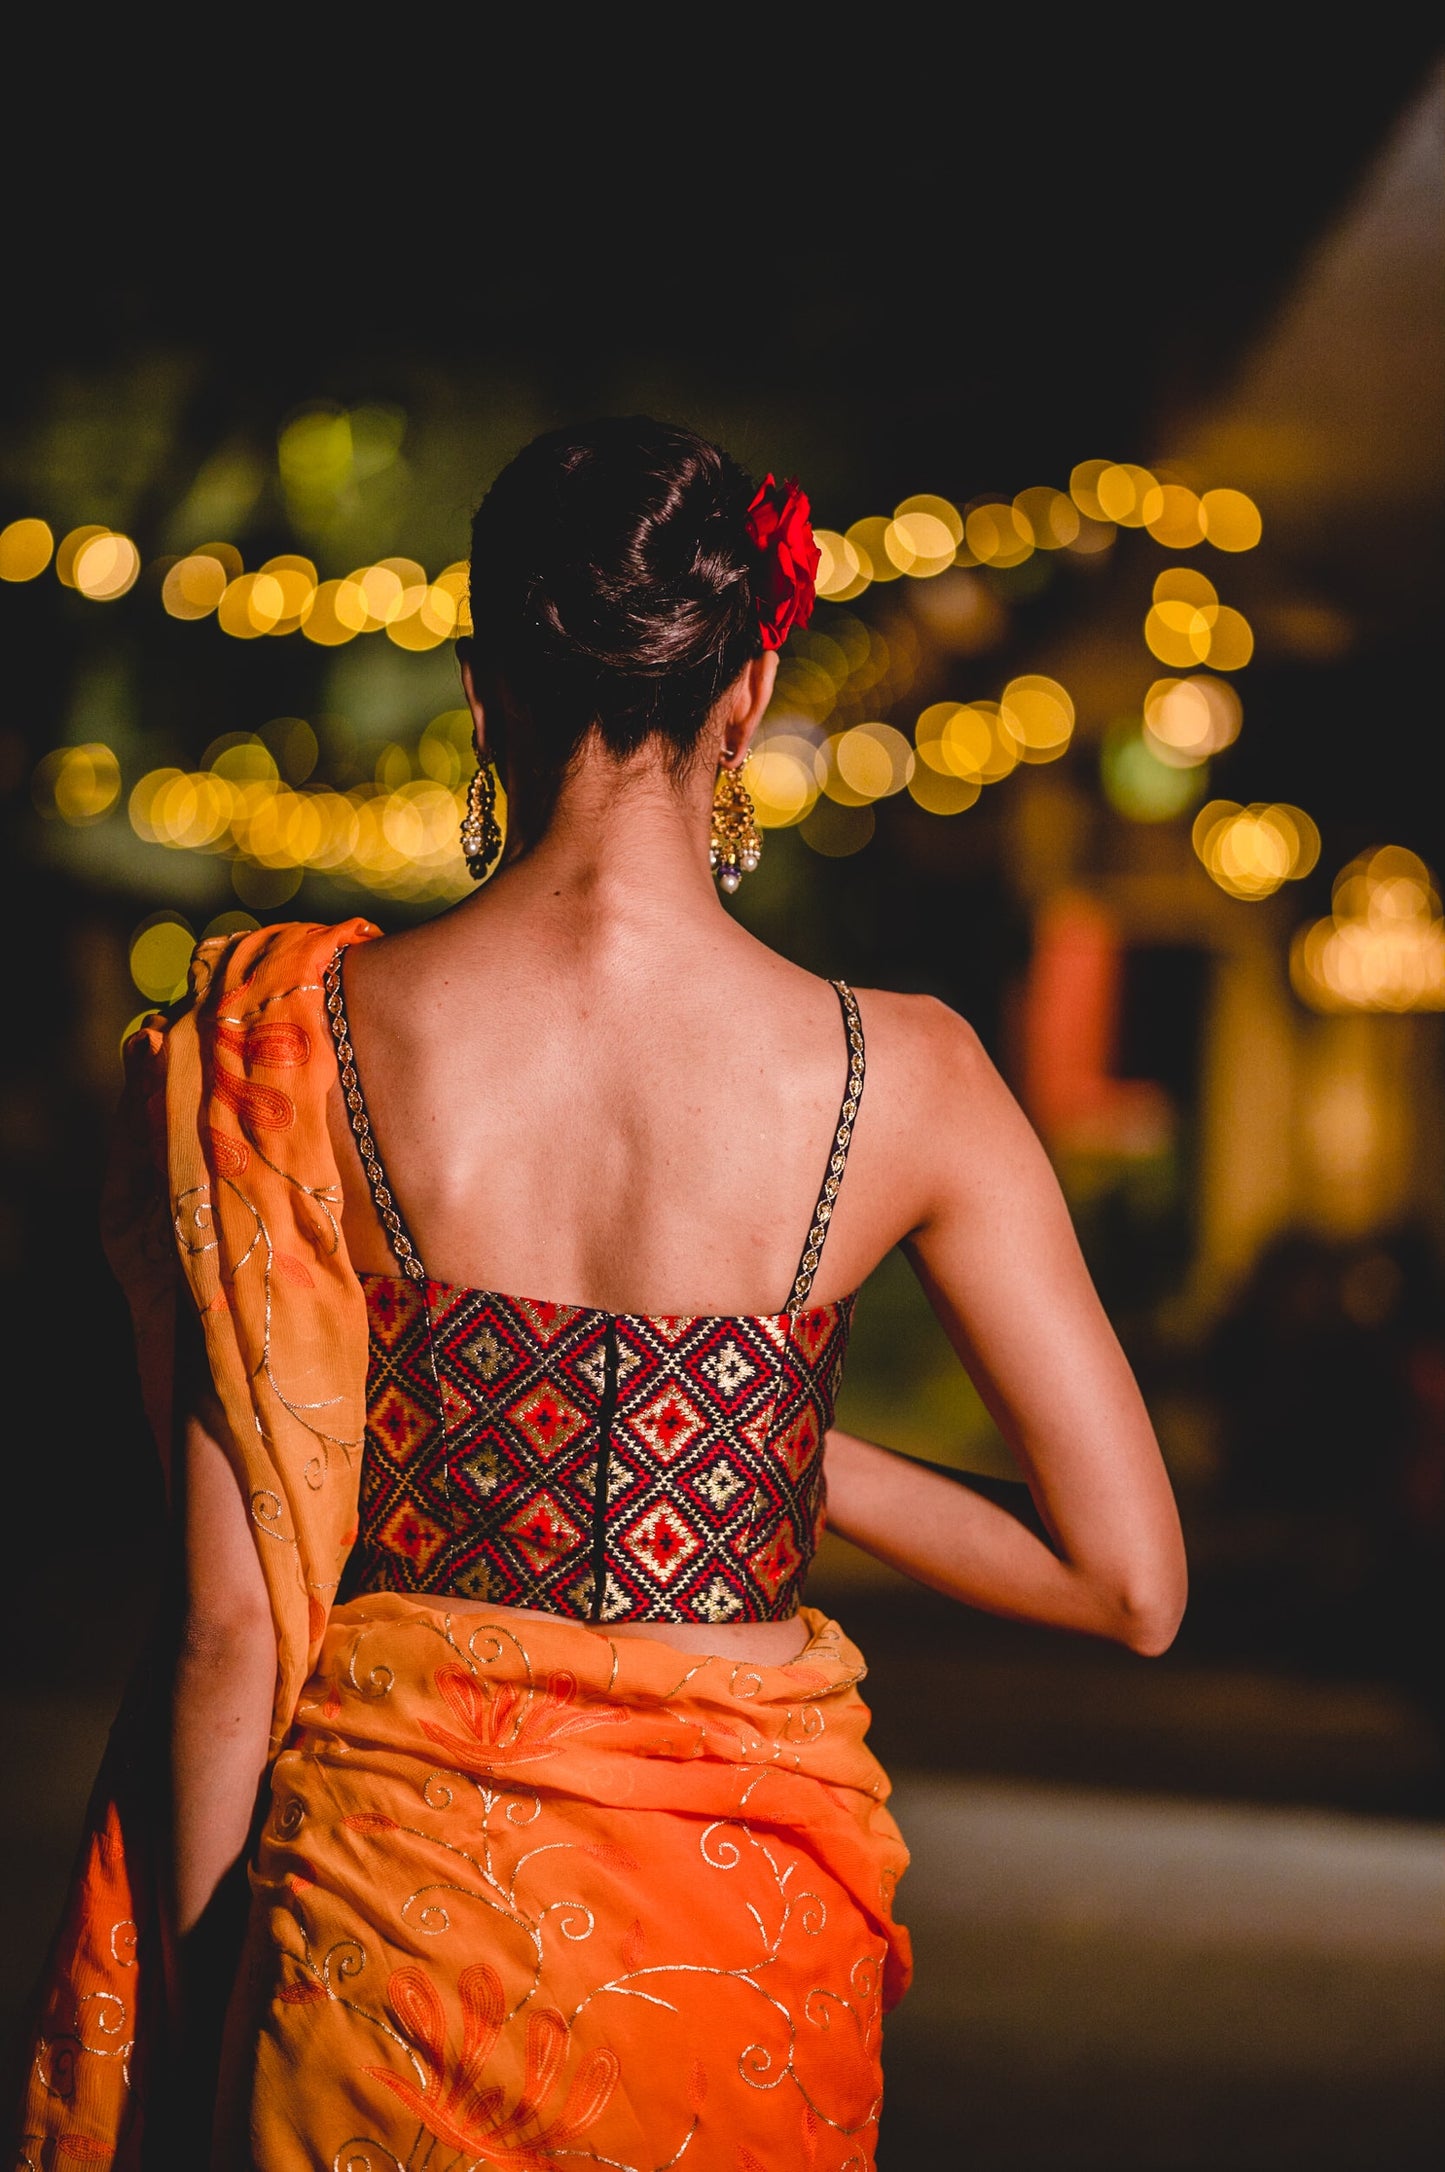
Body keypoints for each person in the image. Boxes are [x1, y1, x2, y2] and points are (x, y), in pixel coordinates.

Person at [16, 418, 1186, 2170]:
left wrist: (186, 2052)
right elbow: (1128, 1583)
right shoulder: (909, 1076)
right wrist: (750, 1431)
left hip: (386, 1933)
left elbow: (228, 1630)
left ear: (480, 684)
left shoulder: (285, 1050)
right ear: (752, 685)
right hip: (730, 1961)